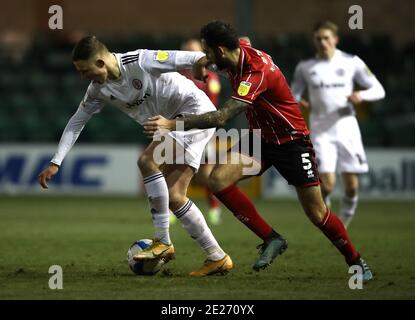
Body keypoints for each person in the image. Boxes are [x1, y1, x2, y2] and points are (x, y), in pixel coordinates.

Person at [143, 20, 373, 281]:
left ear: (220, 50)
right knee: (218, 179)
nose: (205, 56)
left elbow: (222, 117)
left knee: (317, 212)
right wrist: (200, 63)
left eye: (207, 52)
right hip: (261, 139)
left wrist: (172, 124)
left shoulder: (256, 73)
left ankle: (356, 261)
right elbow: (244, 40)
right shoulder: (234, 52)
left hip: (291, 141)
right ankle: (271, 238)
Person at [37, 35, 233, 277]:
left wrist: (210, 63)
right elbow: (77, 122)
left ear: (100, 62)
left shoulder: (141, 61)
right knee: (174, 196)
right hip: (174, 125)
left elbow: (188, 58)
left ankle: (162, 241)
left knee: (147, 161)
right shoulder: (98, 90)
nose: (83, 76)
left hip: (194, 113)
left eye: (84, 70)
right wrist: (56, 161)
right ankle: (217, 257)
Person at [291, 21, 385, 228]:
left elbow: (379, 89)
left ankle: (346, 218)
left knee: (351, 187)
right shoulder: (305, 67)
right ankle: (330, 220)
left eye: (326, 38)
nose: (323, 42)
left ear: (335, 39)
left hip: (347, 129)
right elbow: (293, 92)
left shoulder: (352, 62)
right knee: (328, 183)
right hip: (320, 131)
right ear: (314, 41)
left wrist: (362, 94)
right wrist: (299, 100)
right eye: (318, 39)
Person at [178, 38, 222, 226]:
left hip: (202, 130)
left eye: (194, 51)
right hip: (178, 128)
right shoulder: (176, 75)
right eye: (187, 51)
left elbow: (212, 102)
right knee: (173, 171)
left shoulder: (209, 77)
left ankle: (214, 207)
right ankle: (173, 208)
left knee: (205, 174)